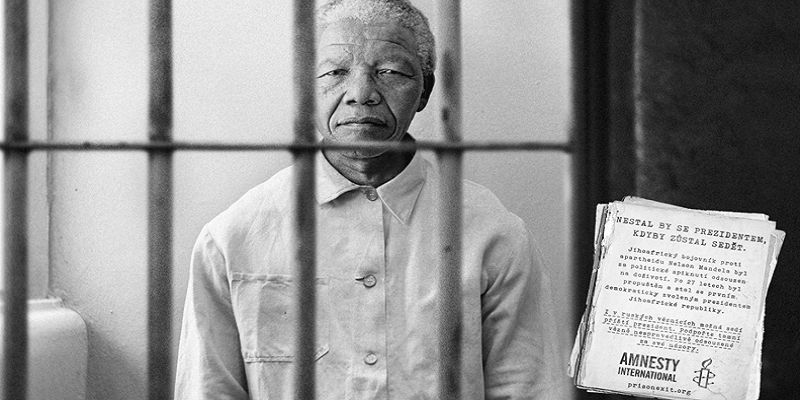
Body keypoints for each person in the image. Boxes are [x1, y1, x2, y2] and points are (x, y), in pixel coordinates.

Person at [174, 0, 564, 398]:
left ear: (425, 90)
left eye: (390, 72)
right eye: (334, 72)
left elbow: (529, 389)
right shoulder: (234, 238)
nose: (361, 94)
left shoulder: (492, 234)